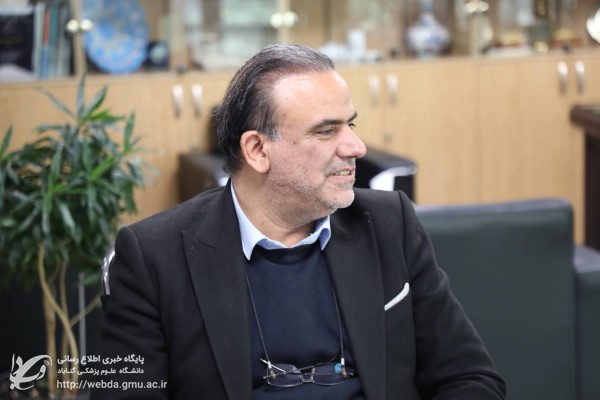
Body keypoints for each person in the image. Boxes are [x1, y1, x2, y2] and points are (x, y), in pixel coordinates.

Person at [91, 44, 505, 400]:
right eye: (326, 131)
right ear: (257, 150)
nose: (356, 146)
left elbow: (470, 377)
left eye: (350, 124)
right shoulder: (152, 257)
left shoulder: (387, 223)